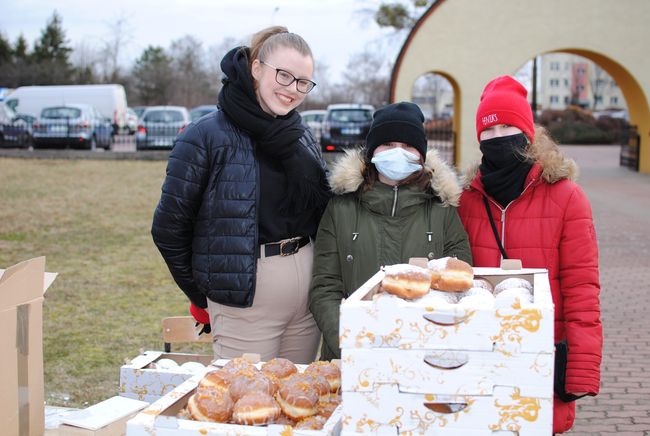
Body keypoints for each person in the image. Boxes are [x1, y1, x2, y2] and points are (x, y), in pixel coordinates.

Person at [151, 26, 330, 364]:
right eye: (284, 75)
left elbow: (322, 212)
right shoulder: (205, 136)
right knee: (246, 405)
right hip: (243, 301)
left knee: (299, 401)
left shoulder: (301, 135)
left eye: (303, 82)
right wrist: (204, 292)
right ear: (256, 68)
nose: (292, 90)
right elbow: (168, 228)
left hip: (307, 296)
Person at [457, 75, 602, 434]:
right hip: (479, 357)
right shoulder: (466, 199)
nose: (497, 138)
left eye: (507, 126)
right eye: (488, 131)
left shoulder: (566, 197)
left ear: (527, 132)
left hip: (541, 354)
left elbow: (582, 288)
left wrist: (578, 366)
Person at [309, 101, 473, 361]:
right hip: (351, 355)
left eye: (408, 146)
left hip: (422, 354)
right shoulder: (341, 206)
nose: (398, 152)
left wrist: (425, 342)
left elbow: (458, 282)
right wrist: (349, 341)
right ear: (373, 150)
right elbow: (325, 288)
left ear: (421, 154)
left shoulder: (441, 208)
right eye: (388, 144)